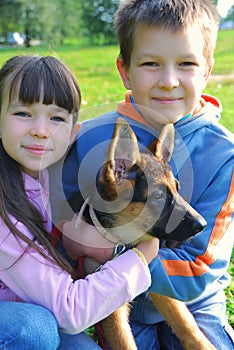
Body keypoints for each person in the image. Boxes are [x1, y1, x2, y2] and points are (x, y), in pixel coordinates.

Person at [54, 1, 234, 349]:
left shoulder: (224, 154)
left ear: (207, 71)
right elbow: (62, 234)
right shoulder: (84, 139)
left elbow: (199, 265)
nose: (168, 82)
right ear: (125, 70)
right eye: (151, 63)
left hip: (194, 302)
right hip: (113, 301)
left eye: (186, 64)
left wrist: (124, 258)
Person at [0, 55, 160, 350]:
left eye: (57, 118)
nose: (41, 130)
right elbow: (71, 311)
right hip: (27, 315)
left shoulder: (48, 176)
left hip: (32, 301)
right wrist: (140, 256)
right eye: (23, 113)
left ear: (74, 132)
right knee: (33, 330)